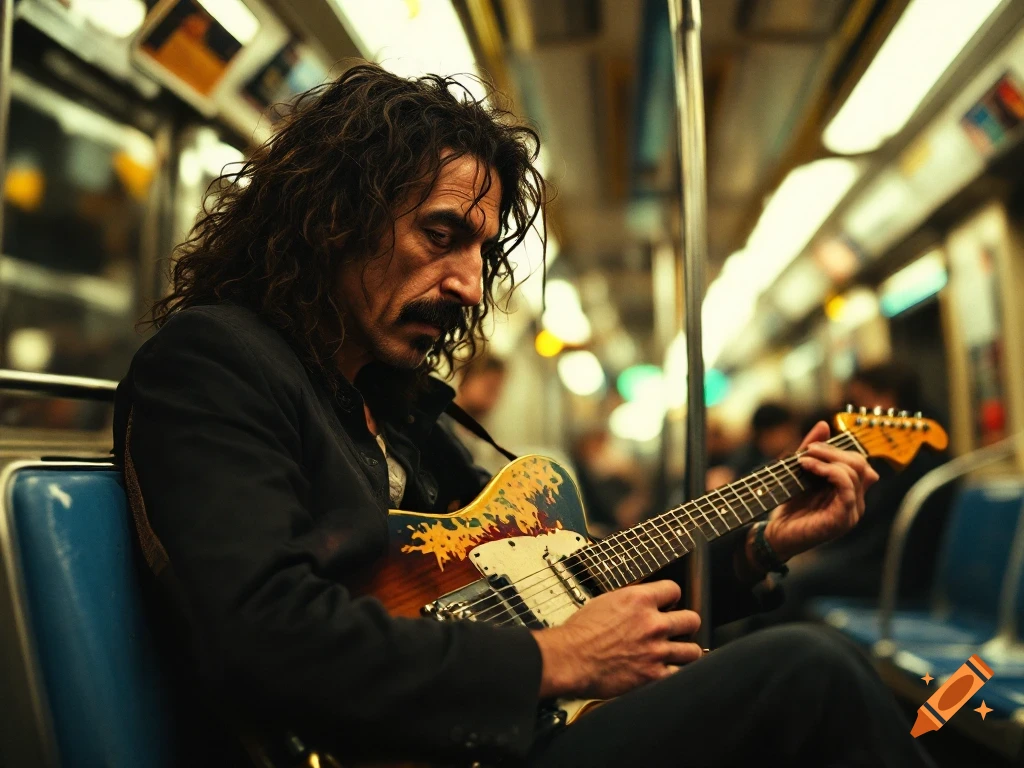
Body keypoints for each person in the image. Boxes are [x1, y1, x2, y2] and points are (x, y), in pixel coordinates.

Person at [113, 65, 934, 767]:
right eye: (443, 235)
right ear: (335, 217)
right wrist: (548, 662)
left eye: (481, 250)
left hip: (478, 735)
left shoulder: (398, 405)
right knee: (805, 673)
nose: (471, 283)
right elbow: (264, 633)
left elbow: (557, 578)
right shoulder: (215, 364)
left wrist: (754, 546)